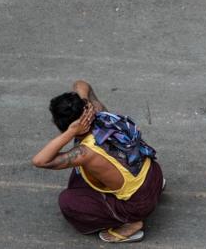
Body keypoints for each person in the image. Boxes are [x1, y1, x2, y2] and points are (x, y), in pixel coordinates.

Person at [32, 80, 164, 243]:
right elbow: (81, 84)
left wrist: (71, 132)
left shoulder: (85, 152)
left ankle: (131, 223)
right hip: (154, 175)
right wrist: (85, 101)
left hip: (140, 204)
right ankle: (153, 191)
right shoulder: (100, 112)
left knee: (68, 201)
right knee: (82, 173)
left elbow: (40, 161)